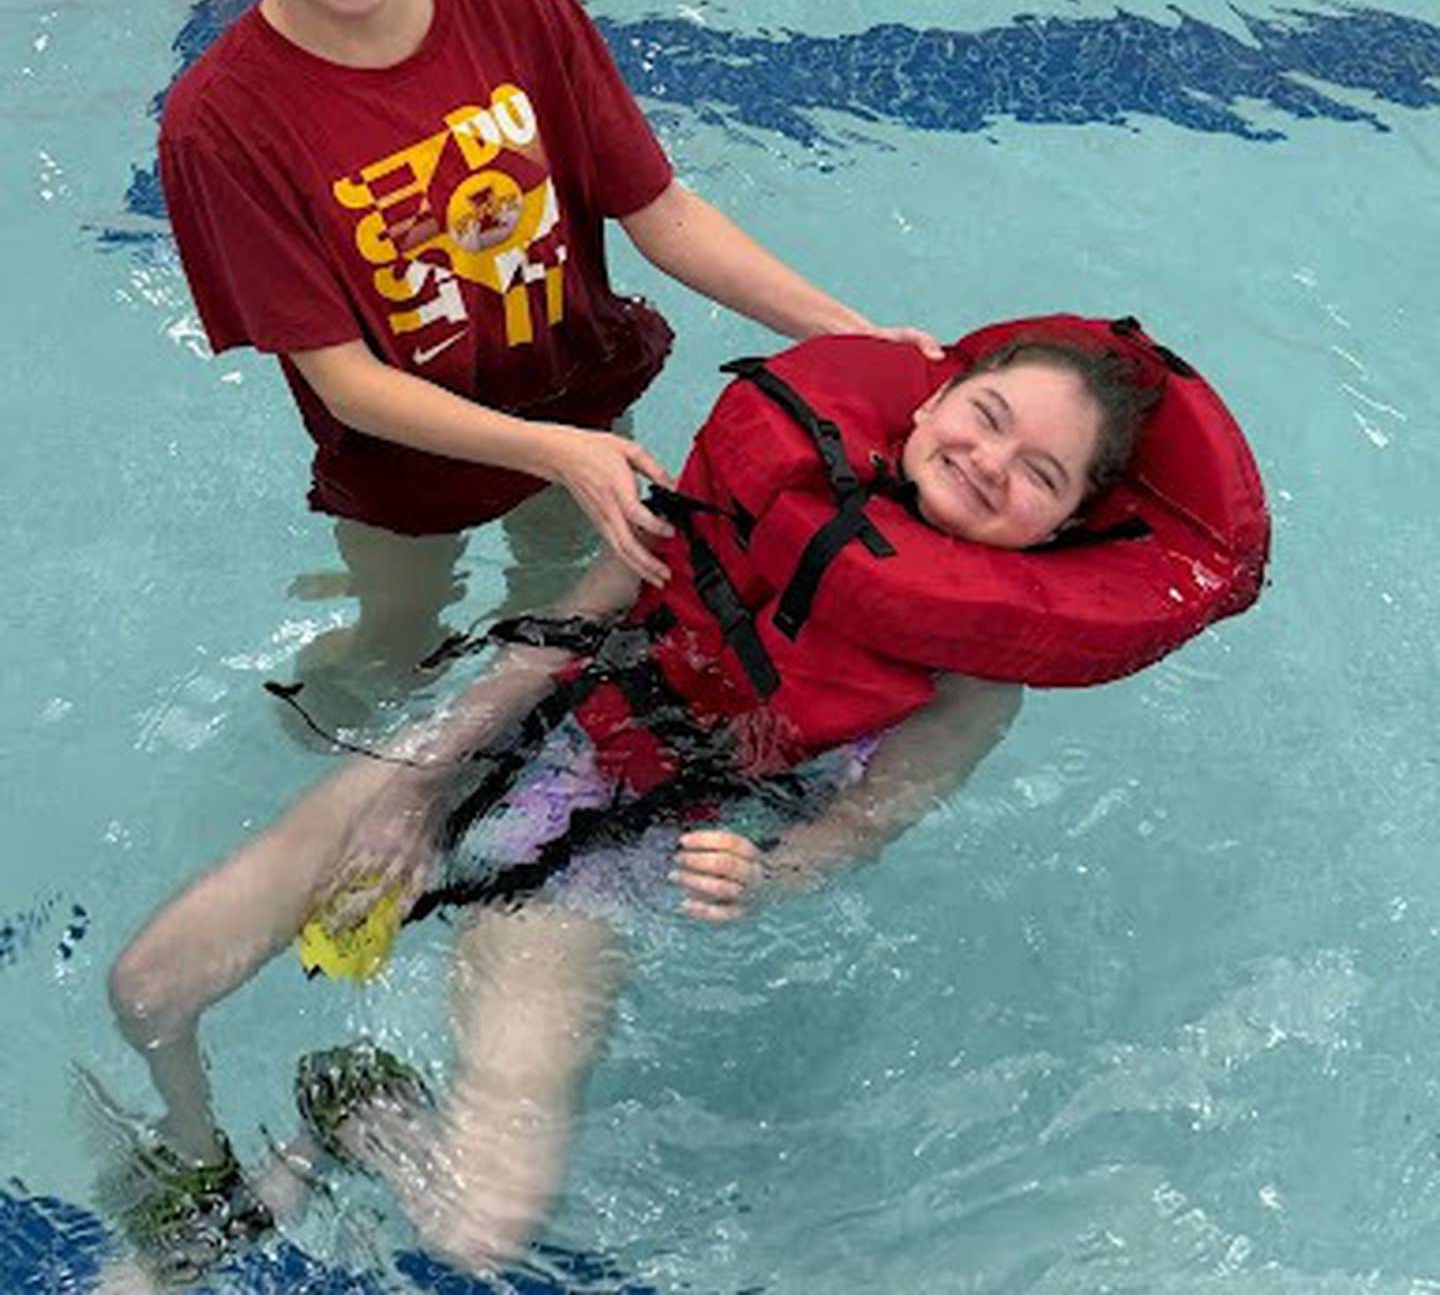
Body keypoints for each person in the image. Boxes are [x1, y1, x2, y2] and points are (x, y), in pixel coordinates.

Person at [102, 319, 1265, 1286]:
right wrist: (421, 785)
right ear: (933, 401)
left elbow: (857, 828)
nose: (992, 461)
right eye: (990, 417)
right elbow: (556, 643)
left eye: (1040, 475)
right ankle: (204, 1167)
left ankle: (360, 1119)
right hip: (501, 751)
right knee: (149, 989)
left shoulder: (971, 689)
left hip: (604, 860)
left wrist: (768, 873)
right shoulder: (748, 484)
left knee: (476, 1228)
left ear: (1058, 532)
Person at [158, 0, 939, 717]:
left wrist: (852, 336)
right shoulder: (223, 120)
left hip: (577, 395)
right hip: (408, 464)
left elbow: (665, 214)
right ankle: (317, 746)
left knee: (568, 619)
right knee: (398, 647)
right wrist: (555, 455)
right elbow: (348, 385)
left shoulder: (515, 4)